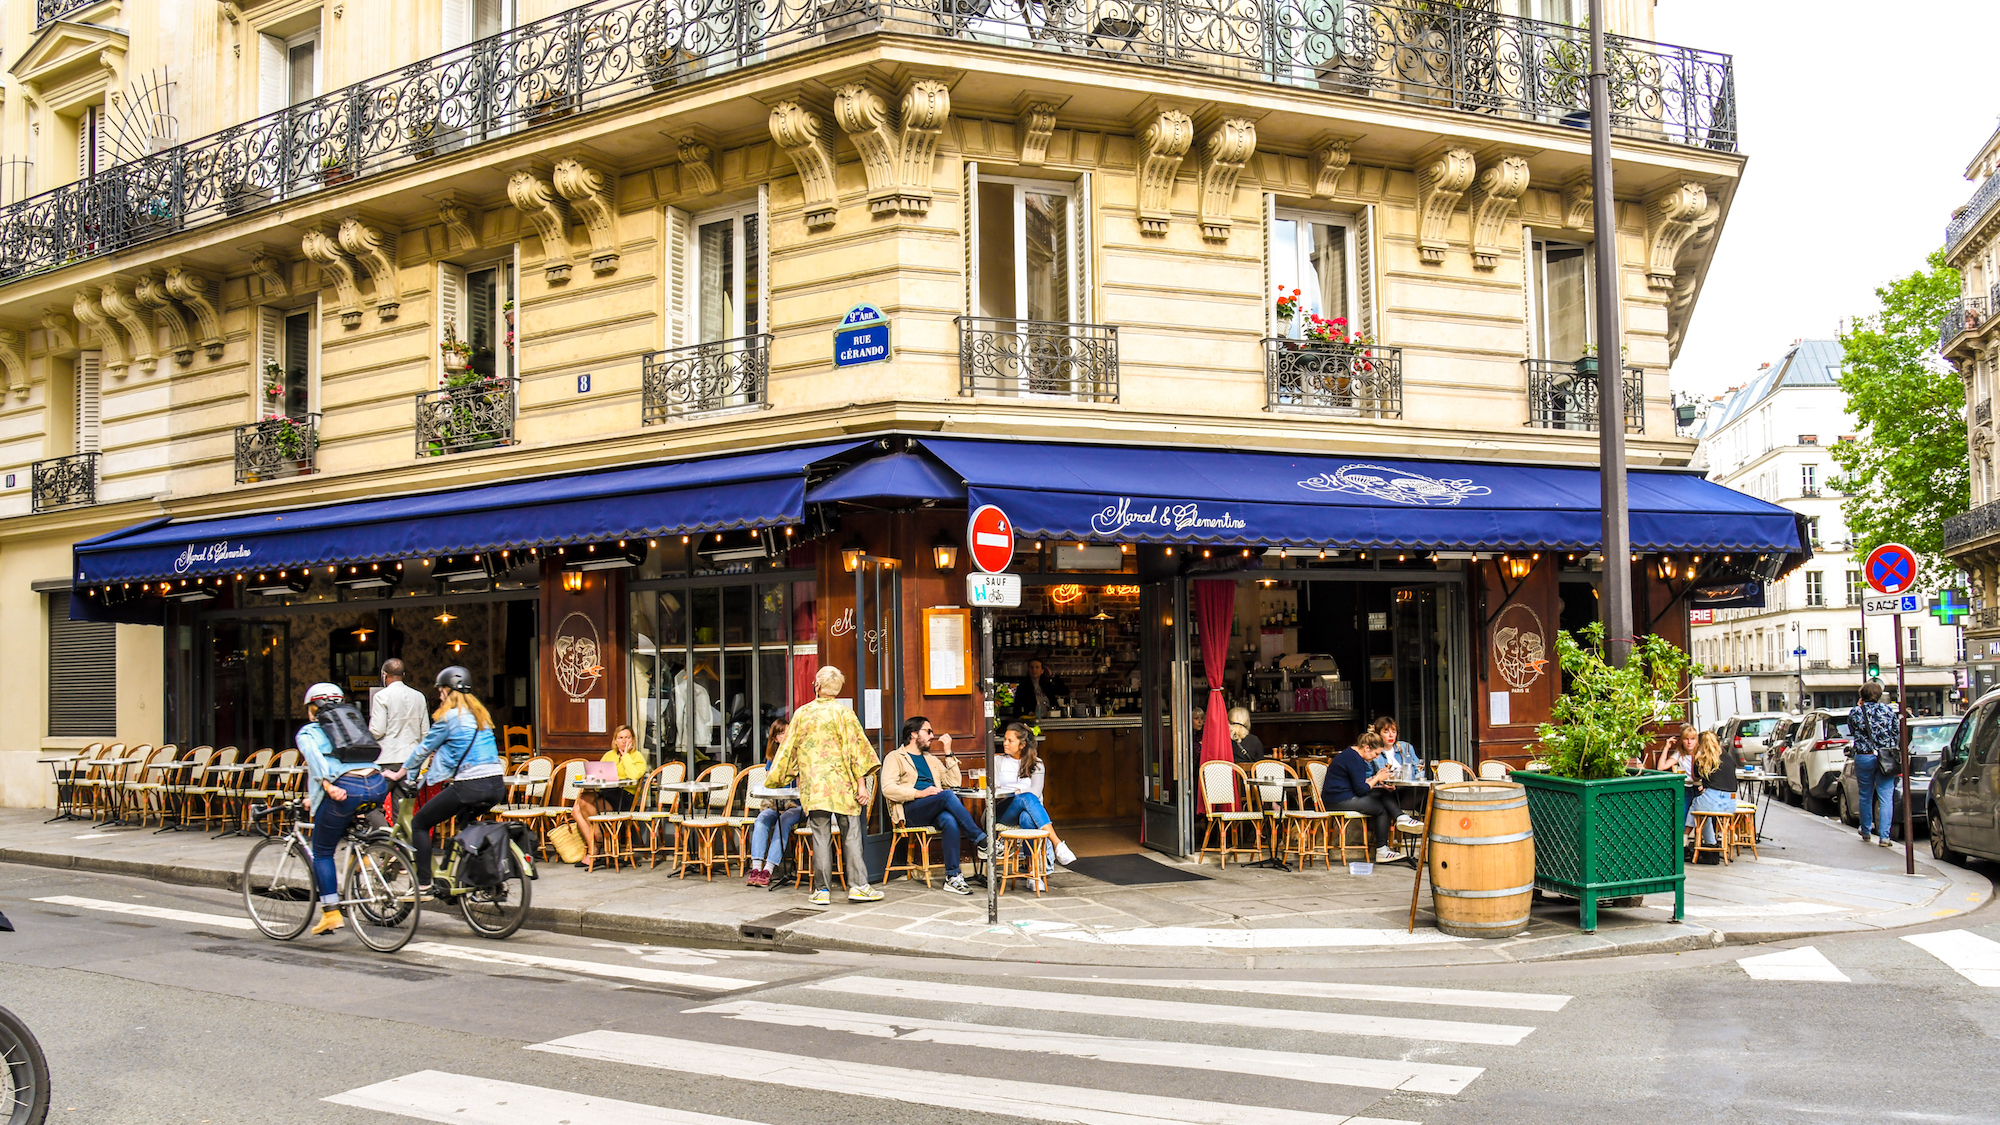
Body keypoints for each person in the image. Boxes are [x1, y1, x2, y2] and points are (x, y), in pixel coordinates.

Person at [766, 665, 884, 906]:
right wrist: (861, 785)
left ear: (817, 686)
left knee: (820, 837)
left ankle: (821, 890)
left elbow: (788, 749)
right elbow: (857, 752)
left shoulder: (802, 714)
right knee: (851, 836)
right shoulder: (845, 714)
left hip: (815, 788)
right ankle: (858, 886)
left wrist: (778, 777)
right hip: (843, 787)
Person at [384, 666, 505, 895]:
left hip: (470, 785)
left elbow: (423, 749)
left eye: (441, 691)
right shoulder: (481, 716)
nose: (440, 696)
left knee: (419, 824)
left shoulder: (449, 717)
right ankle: (480, 877)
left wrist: (401, 773)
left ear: (449, 691)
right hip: (496, 785)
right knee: (466, 825)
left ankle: (424, 883)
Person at [297, 683, 391, 936]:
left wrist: (327, 786)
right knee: (347, 822)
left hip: (346, 788)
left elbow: (316, 762)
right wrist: (316, 797)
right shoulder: (353, 724)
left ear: (313, 709)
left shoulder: (309, 732)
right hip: (376, 783)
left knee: (322, 851)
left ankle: (331, 913)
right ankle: (361, 856)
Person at [883, 716, 991, 895]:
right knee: (947, 796)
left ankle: (952, 877)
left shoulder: (930, 759)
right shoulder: (895, 757)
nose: (932, 736)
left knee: (949, 820)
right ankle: (981, 840)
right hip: (911, 810)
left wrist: (948, 753)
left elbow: (954, 782)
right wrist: (919, 793)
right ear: (914, 734)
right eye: (928, 731)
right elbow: (887, 788)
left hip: (933, 808)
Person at [1320, 730, 1422, 862]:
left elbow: (1359, 784)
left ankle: (1401, 818)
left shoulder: (1352, 755)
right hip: (1336, 800)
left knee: (1383, 792)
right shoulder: (1355, 759)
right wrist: (1377, 778)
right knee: (1380, 809)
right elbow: (1361, 790)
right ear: (1367, 748)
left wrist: (1376, 778)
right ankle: (1382, 850)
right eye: (1376, 754)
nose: (1377, 757)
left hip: (1343, 795)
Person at [994, 721, 1077, 870]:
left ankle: (1032, 868)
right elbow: (995, 788)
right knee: (1026, 797)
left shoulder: (1036, 764)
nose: (1005, 743)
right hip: (1003, 811)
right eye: (1005, 739)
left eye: (1010, 741)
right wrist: (1018, 793)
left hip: (1027, 810)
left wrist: (1019, 793)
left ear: (1022, 745)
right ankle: (1057, 844)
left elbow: (1036, 792)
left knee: (1026, 817)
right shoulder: (998, 761)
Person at [570, 724, 647, 869]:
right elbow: (599, 773)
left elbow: (634, 775)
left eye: (627, 737)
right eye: (620, 738)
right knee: (577, 807)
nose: (624, 741)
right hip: (607, 792)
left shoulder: (637, 756)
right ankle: (596, 843)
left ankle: (598, 844)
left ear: (632, 739)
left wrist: (625, 756)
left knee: (583, 804)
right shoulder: (609, 755)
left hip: (625, 795)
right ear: (615, 740)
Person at [746, 715, 802, 888]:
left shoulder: (798, 754)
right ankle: (756, 868)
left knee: (783, 821)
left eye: (788, 732)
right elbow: (770, 782)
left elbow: (801, 785)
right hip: (775, 803)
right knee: (762, 819)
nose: (785, 736)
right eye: (781, 733)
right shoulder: (773, 758)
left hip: (796, 805)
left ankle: (768, 869)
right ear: (775, 738)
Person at [1850, 681, 1901, 847]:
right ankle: (1885, 837)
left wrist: (1860, 706)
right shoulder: (1888, 711)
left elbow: (1852, 731)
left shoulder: (1856, 712)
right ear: (1879, 695)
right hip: (1885, 758)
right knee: (1886, 796)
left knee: (1865, 795)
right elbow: (1896, 732)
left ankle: (1866, 830)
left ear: (1861, 696)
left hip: (1864, 756)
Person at [1685, 730, 1739, 863]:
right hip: (1730, 803)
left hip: (1712, 800)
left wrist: (1694, 756)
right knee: (1703, 813)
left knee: (1696, 805)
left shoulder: (1702, 759)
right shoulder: (1728, 757)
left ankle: (1685, 838)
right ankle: (1715, 840)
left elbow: (1695, 777)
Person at [367, 658, 430, 769]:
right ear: (403, 675)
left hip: (388, 757)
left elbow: (378, 730)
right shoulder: (419, 696)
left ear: (384, 675)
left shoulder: (381, 696)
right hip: (413, 757)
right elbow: (425, 732)